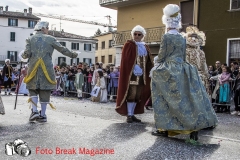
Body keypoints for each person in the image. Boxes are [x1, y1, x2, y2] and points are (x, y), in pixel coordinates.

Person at [150, 4, 218, 141]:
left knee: (164, 97)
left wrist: (155, 65)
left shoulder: (166, 37)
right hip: (183, 68)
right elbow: (182, 54)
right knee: (185, 99)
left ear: (166, 21)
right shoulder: (182, 38)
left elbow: (162, 56)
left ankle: (164, 128)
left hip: (169, 69)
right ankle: (193, 127)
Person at [21, 21, 78, 122]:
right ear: (43, 28)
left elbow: (26, 54)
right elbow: (62, 49)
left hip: (33, 67)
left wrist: (23, 56)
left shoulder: (29, 39)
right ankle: (42, 115)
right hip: (46, 67)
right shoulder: (51, 39)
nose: (48, 30)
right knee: (45, 90)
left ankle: (34, 111)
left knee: (32, 88)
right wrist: (73, 54)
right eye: (47, 28)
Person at [116, 25, 153, 123]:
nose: (136, 36)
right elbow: (126, 60)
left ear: (142, 35)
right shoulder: (129, 45)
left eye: (139, 34)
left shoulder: (145, 46)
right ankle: (129, 114)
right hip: (132, 76)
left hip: (142, 76)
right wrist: (134, 66)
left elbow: (149, 61)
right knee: (131, 94)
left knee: (138, 95)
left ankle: (132, 114)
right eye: (135, 34)